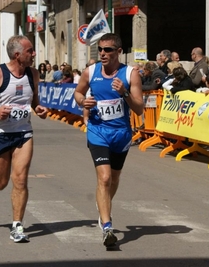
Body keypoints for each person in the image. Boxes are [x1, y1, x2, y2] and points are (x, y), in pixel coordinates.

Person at [0, 35, 48, 243]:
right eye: (30, 51)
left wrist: (38, 109)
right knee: (2, 182)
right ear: (17, 55)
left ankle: (17, 226)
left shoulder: (33, 73)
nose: (34, 54)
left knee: (21, 179)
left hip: (23, 132)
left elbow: (33, 101)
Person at [74, 33, 144, 247]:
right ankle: (107, 226)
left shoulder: (130, 74)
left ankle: (103, 205)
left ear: (119, 51)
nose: (103, 54)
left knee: (113, 179)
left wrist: (124, 93)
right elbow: (77, 93)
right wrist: (84, 102)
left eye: (108, 50)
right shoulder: (91, 71)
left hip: (121, 133)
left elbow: (139, 108)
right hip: (97, 131)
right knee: (104, 179)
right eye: (100, 50)